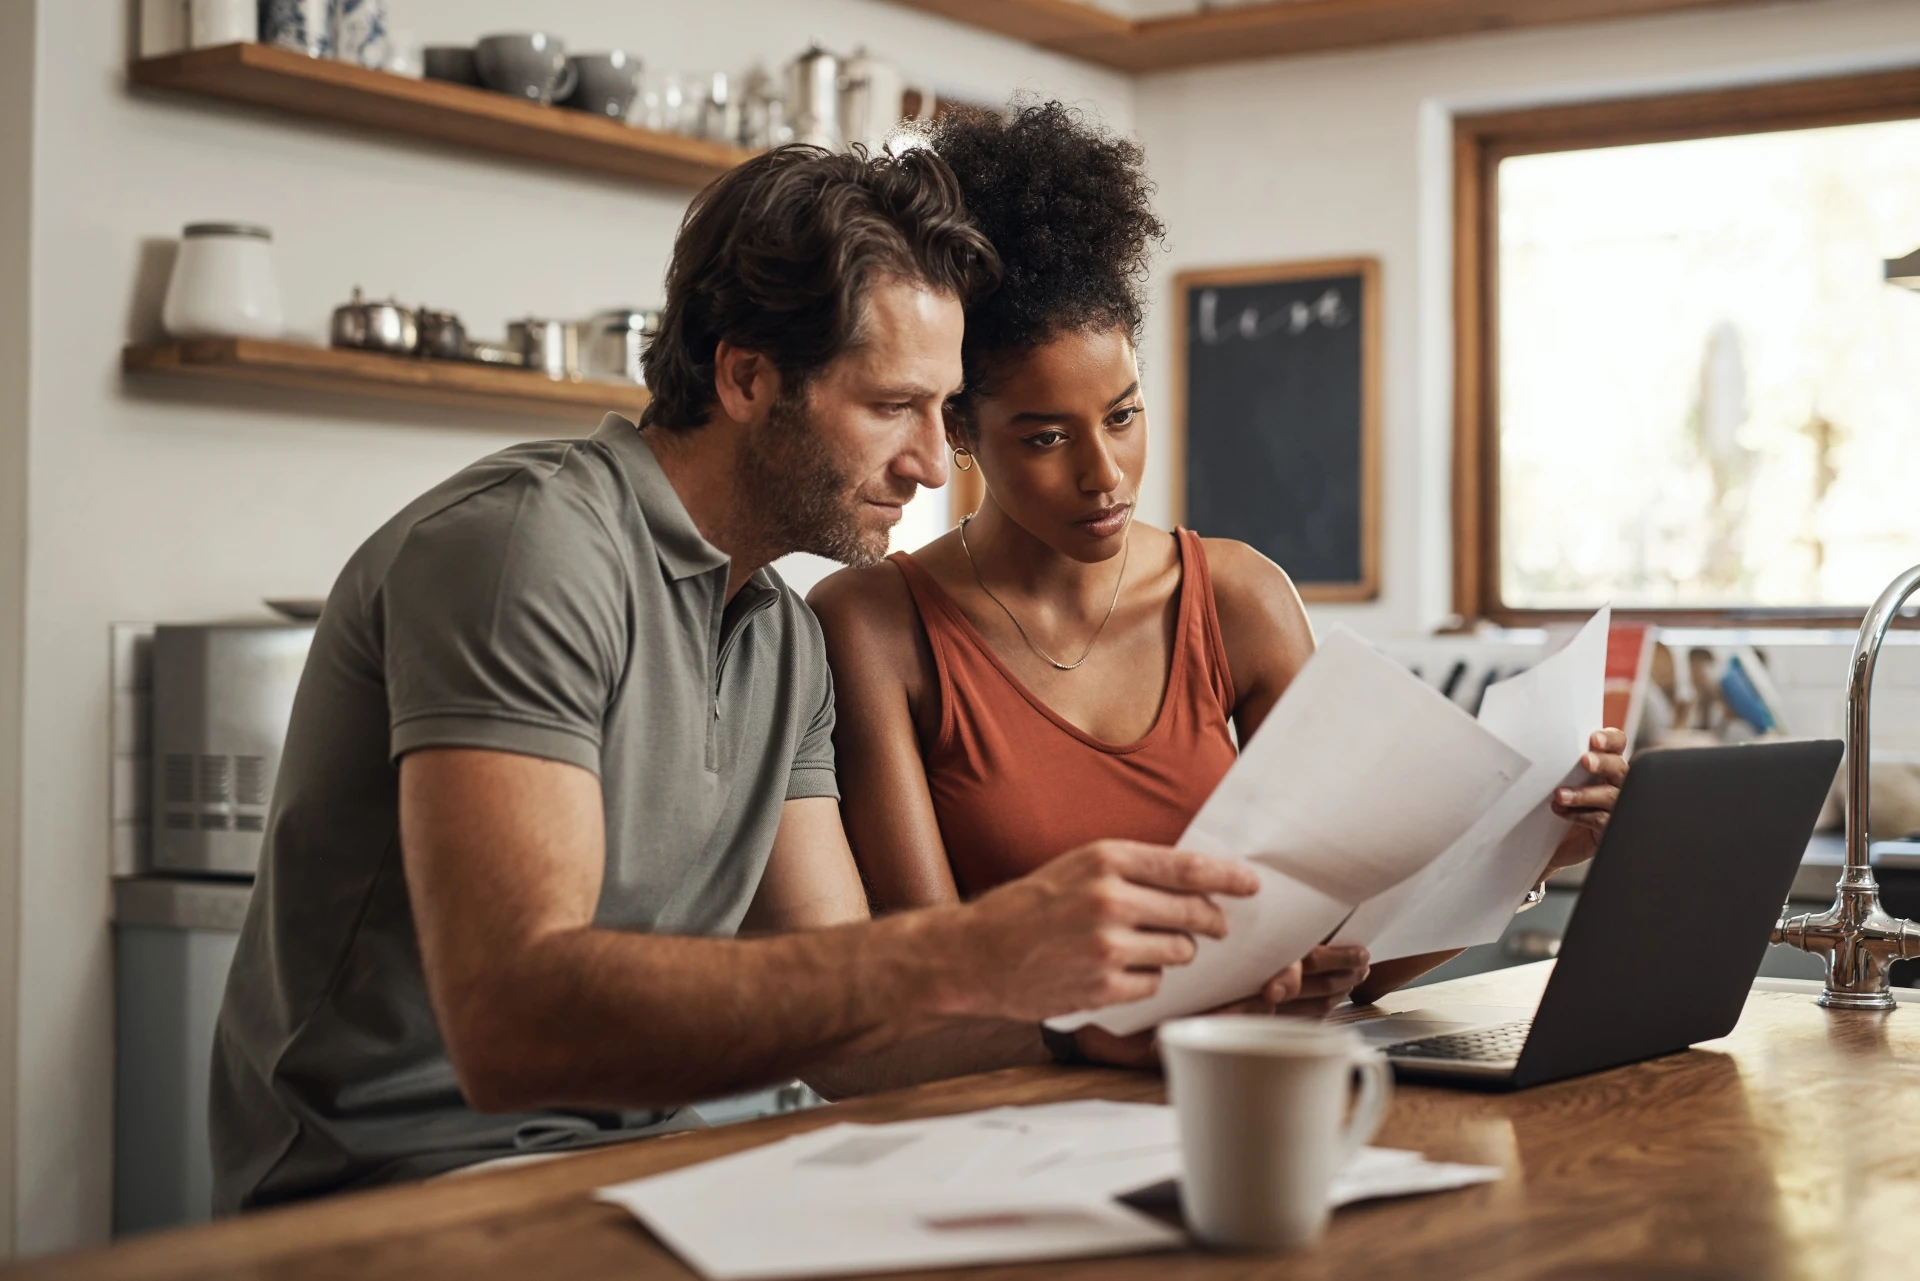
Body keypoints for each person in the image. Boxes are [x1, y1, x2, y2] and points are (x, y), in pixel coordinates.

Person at [208, 144, 1287, 1212]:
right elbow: (513, 1025)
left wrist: (1093, 1024)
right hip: (419, 1189)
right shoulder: (529, 550)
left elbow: (849, 1017)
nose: (928, 463)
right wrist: (982, 948)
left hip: (671, 1165)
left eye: (941, 411)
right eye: (890, 407)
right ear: (746, 376)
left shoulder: (778, 634)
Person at [809, 103, 1629, 1063]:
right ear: (957, 430)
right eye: (1043, 436)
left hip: (1236, 1109)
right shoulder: (874, 626)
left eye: (1122, 415)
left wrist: (1530, 850)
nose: (1103, 473)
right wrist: (1123, 1034)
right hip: (1008, 1138)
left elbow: (1347, 956)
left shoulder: (1238, 600)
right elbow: (930, 993)